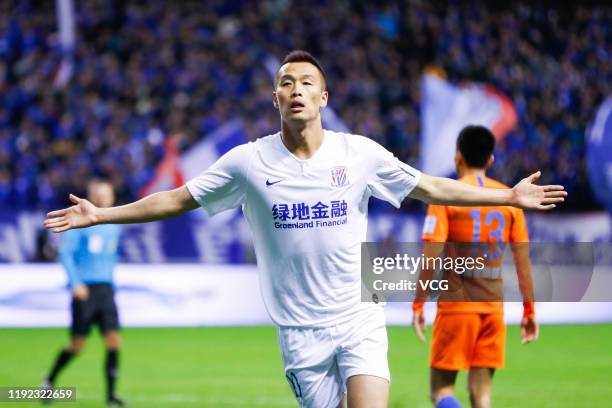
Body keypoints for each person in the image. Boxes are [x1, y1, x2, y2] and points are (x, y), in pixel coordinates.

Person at [44, 51, 564, 408]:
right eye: (286, 83)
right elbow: (177, 199)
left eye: (306, 82)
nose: (296, 89)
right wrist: (103, 213)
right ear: (275, 99)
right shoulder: (247, 163)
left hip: (359, 317)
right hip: (300, 332)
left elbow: (431, 187)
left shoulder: (358, 153)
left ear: (324, 96)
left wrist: (507, 195)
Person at [412, 125, 539, 408]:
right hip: (492, 308)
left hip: (457, 306)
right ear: (490, 159)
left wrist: (418, 304)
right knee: (482, 398)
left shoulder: (445, 197)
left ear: (458, 157)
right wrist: (529, 310)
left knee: (441, 392)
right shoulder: (510, 200)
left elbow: (431, 254)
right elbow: (522, 261)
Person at [42, 180, 125, 407]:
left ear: (112, 197)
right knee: (77, 345)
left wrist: (110, 281)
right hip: (84, 290)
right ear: (91, 196)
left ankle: (111, 396)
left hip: (105, 290)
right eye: (99, 194)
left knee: (114, 341)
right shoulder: (80, 223)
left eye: (107, 194)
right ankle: (49, 381)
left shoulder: (115, 225)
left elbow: (111, 256)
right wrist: (75, 283)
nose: (103, 199)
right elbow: (65, 255)